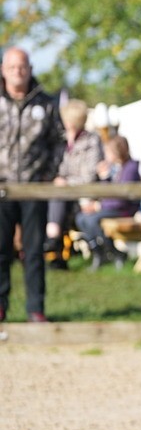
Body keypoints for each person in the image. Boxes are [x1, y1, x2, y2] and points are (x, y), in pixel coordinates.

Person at [0, 48, 66, 322]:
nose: (18, 71)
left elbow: (59, 143)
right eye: (13, 66)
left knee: (35, 250)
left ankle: (35, 309)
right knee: (0, 250)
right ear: (3, 69)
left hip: (34, 188)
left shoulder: (46, 103)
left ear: (30, 68)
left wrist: (47, 175)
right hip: (1, 190)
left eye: (23, 66)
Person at [45, 99, 103, 269]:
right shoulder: (60, 140)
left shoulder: (91, 141)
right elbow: (53, 167)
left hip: (83, 193)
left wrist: (66, 182)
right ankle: (53, 246)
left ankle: (52, 239)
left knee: (58, 196)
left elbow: (89, 175)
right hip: (61, 192)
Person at [75, 135, 141, 270]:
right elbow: (109, 193)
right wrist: (104, 178)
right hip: (113, 206)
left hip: (124, 209)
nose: (105, 155)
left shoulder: (130, 168)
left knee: (92, 220)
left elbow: (121, 198)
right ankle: (99, 252)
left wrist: (99, 206)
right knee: (81, 218)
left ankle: (112, 252)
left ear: (117, 152)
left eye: (108, 152)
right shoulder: (117, 168)